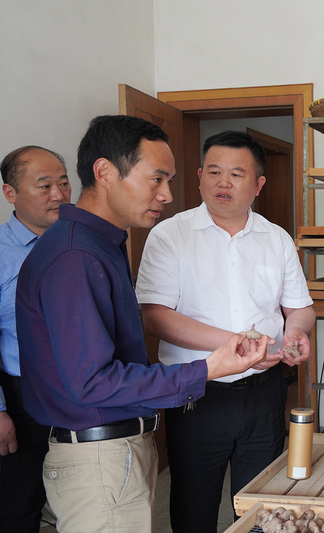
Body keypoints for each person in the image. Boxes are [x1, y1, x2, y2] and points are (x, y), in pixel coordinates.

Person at [15, 115, 270, 533]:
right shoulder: (76, 256)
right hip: (99, 459)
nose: (166, 194)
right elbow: (91, 383)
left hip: (117, 451)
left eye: (168, 180)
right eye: (156, 179)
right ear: (105, 172)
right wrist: (207, 369)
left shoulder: (101, 245)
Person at [135, 130, 315, 533]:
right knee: (193, 505)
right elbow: (155, 316)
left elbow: (299, 307)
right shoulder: (170, 235)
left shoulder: (276, 238)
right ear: (200, 176)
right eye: (214, 172)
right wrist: (235, 346)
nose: (223, 182)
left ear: (258, 184)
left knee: (261, 507)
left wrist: (295, 333)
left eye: (236, 174)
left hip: (264, 393)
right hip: (197, 393)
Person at [0, 146, 71, 532]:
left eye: (64, 182)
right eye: (45, 186)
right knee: (20, 504)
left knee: (83, 501)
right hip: (21, 399)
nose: (58, 194)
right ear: (10, 193)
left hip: (80, 392)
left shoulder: (81, 242)